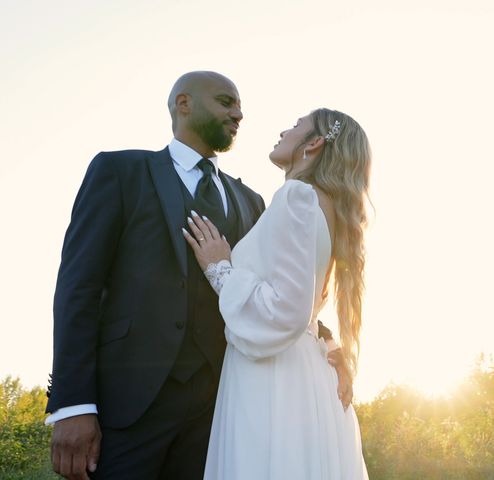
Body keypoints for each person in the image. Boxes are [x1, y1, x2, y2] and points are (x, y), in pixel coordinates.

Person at [45, 71, 346, 480]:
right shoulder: (119, 172)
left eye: (240, 107)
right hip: (128, 411)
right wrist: (73, 405)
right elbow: (78, 288)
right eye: (226, 102)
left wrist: (326, 341)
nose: (238, 114)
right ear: (183, 103)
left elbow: (276, 285)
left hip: (221, 413)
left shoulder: (252, 201)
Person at [183, 108, 371, 479]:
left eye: (297, 125)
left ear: (313, 144)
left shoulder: (297, 197)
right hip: (299, 368)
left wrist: (220, 269)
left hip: (273, 375)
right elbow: (303, 299)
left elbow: (286, 310)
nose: (286, 129)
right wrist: (331, 341)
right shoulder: (324, 204)